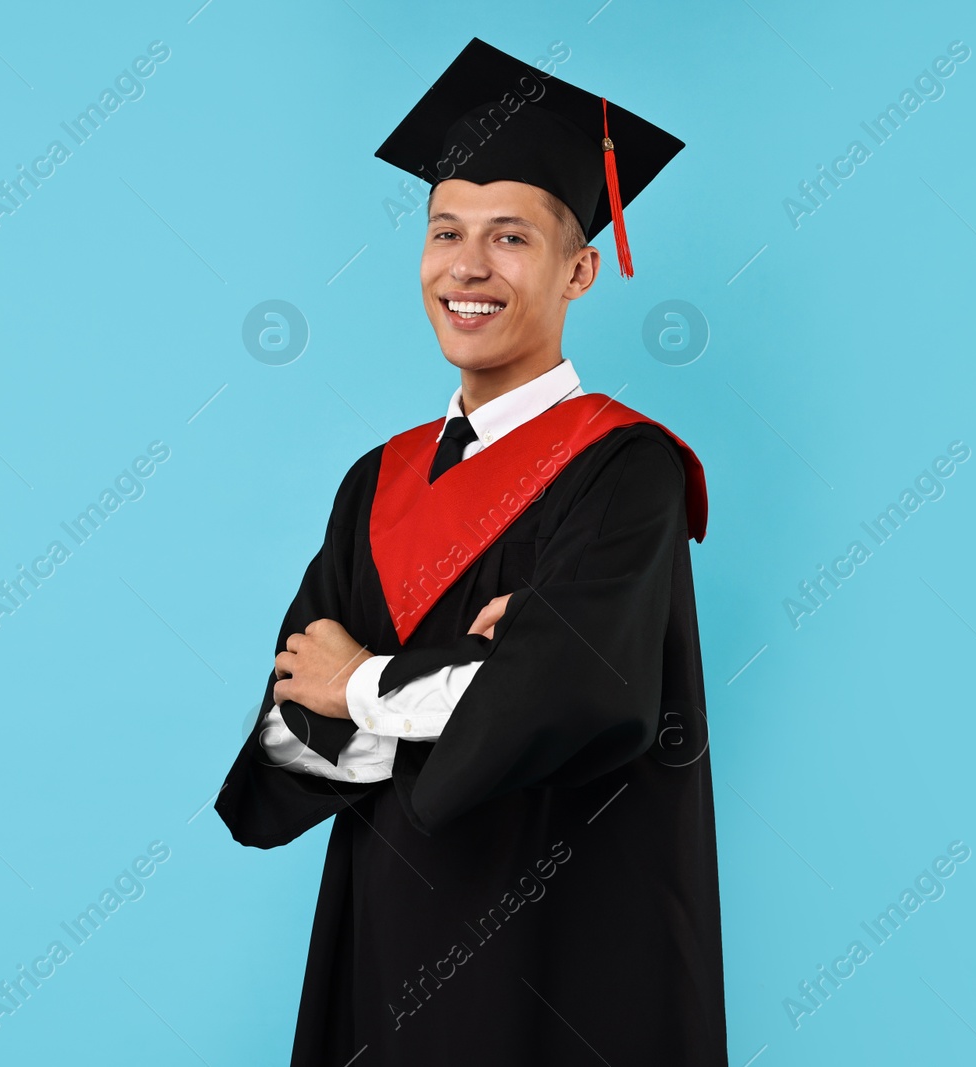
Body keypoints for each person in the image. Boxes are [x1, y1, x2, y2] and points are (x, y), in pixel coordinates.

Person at [215, 37, 727, 1066]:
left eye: (511, 237)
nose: (468, 266)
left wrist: (365, 680)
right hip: (385, 930)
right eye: (445, 231)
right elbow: (287, 723)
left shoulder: (627, 469)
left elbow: (580, 693)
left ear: (579, 269)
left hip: (570, 933)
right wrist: (464, 673)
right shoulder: (377, 477)